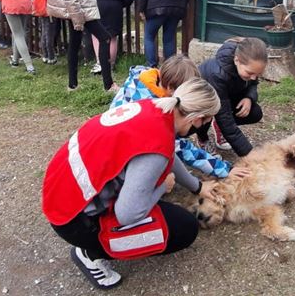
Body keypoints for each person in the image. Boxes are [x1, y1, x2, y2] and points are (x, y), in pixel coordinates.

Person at [42, 78, 221, 290]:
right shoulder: (158, 145)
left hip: (59, 188)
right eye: (209, 120)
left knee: (151, 188)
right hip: (72, 219)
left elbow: (167, 153)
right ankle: (91, 252)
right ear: (198, 119)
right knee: (185, 228)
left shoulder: (154, 107)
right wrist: (164, 186)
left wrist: (198, 186)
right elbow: (127, 214)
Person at [111, 54, 250, 180]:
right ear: (172, 89)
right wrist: (224, 169)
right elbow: (181, 148)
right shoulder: (157, 115)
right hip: (117, 163)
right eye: (188, 93)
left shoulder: (142, 80)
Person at [198, 37, 267, 156]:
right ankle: (203, 139)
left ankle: (218, 127)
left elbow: (253, 84)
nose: (254, 77)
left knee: (255, 113)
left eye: (258, 74)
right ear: (236, 60)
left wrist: (249, 98)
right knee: (206, 115)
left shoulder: (248, 65)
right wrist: (250, 155)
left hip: (226, 97)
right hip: (202, 102)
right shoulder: (217, 75)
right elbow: (225, 118)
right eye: (250, 73)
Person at [90, 0, 135, 73]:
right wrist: (121, 4)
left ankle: (100, 63)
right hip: (115, 7)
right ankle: (111, 64)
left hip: (98, 5)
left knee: (96, 34)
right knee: (112, 36)